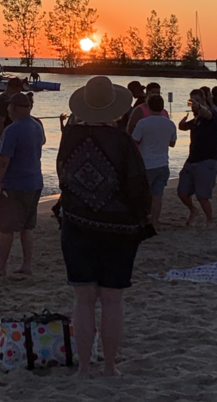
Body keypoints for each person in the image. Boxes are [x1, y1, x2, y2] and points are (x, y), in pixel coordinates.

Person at [57, 76, 150, 379]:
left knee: (83, 299)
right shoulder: (122, 141)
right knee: (112, 300)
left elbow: (63, 176)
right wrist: (140, 219)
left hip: (77, 225)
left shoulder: (68, 136)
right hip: (119, 229)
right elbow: (138, 186)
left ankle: (84, 367)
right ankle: (110, 366)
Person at [0, 93, 44, 277]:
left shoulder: (12, 130)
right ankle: (27, 265)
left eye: (9, 107)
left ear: (15, 108)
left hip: (15, 185)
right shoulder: (37, 126)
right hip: (34, 182)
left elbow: (3, 161)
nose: (8, 110)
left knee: (7, 227)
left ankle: (1, 266)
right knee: (27, 227)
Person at [178, 89, 217, 226]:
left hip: (207, 160)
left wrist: (199, 106)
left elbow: (207, 113)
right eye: (192, 101)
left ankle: (209, 220)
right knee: (182, 192)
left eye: (197, 100)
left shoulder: (212, 114)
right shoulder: (196, 119)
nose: (194, 104)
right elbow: (184, 127)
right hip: (192, 159)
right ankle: (193, 210)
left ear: (203, 99)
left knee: (202, 196)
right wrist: (181, 123)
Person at [133, 95, 176, 230]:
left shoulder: (143, 123)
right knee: (157, 195)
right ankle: (155, 221)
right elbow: (172, 143)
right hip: (163, 163)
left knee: (143, 195)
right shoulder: (170, 123)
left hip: (146, 163)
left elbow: (134, 141)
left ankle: (144, 219)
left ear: (148, 106)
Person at [0, 77, 24, 161]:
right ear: (16, 88)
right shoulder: (3, 101)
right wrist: (4, 143)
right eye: (19, 89)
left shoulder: (9, 100)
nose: (20, 92)